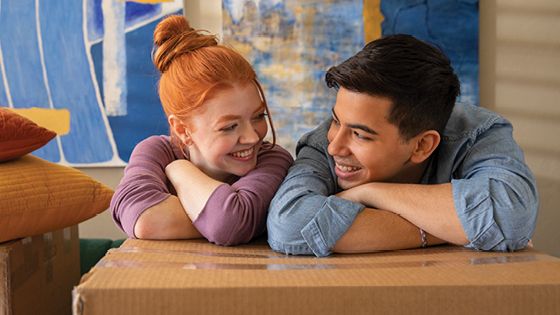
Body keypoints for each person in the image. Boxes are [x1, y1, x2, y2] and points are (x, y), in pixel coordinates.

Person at [267, 34, 538, 257]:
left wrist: (372, 193)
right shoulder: (321, 142)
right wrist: (450, 230)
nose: (335, 147)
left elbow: (512, 216)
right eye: (336, 121)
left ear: (422, 145)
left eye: (360, 135)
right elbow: (288, 226)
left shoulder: (480, 134)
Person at [111, 15, 293, 246]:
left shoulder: (273, 159)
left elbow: (229, 224)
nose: (252, 137)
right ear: (182, 129)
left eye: (258, 116)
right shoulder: (155, 151)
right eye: (229, 127)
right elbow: (146, 220)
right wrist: (226, 218)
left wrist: (179, 171)